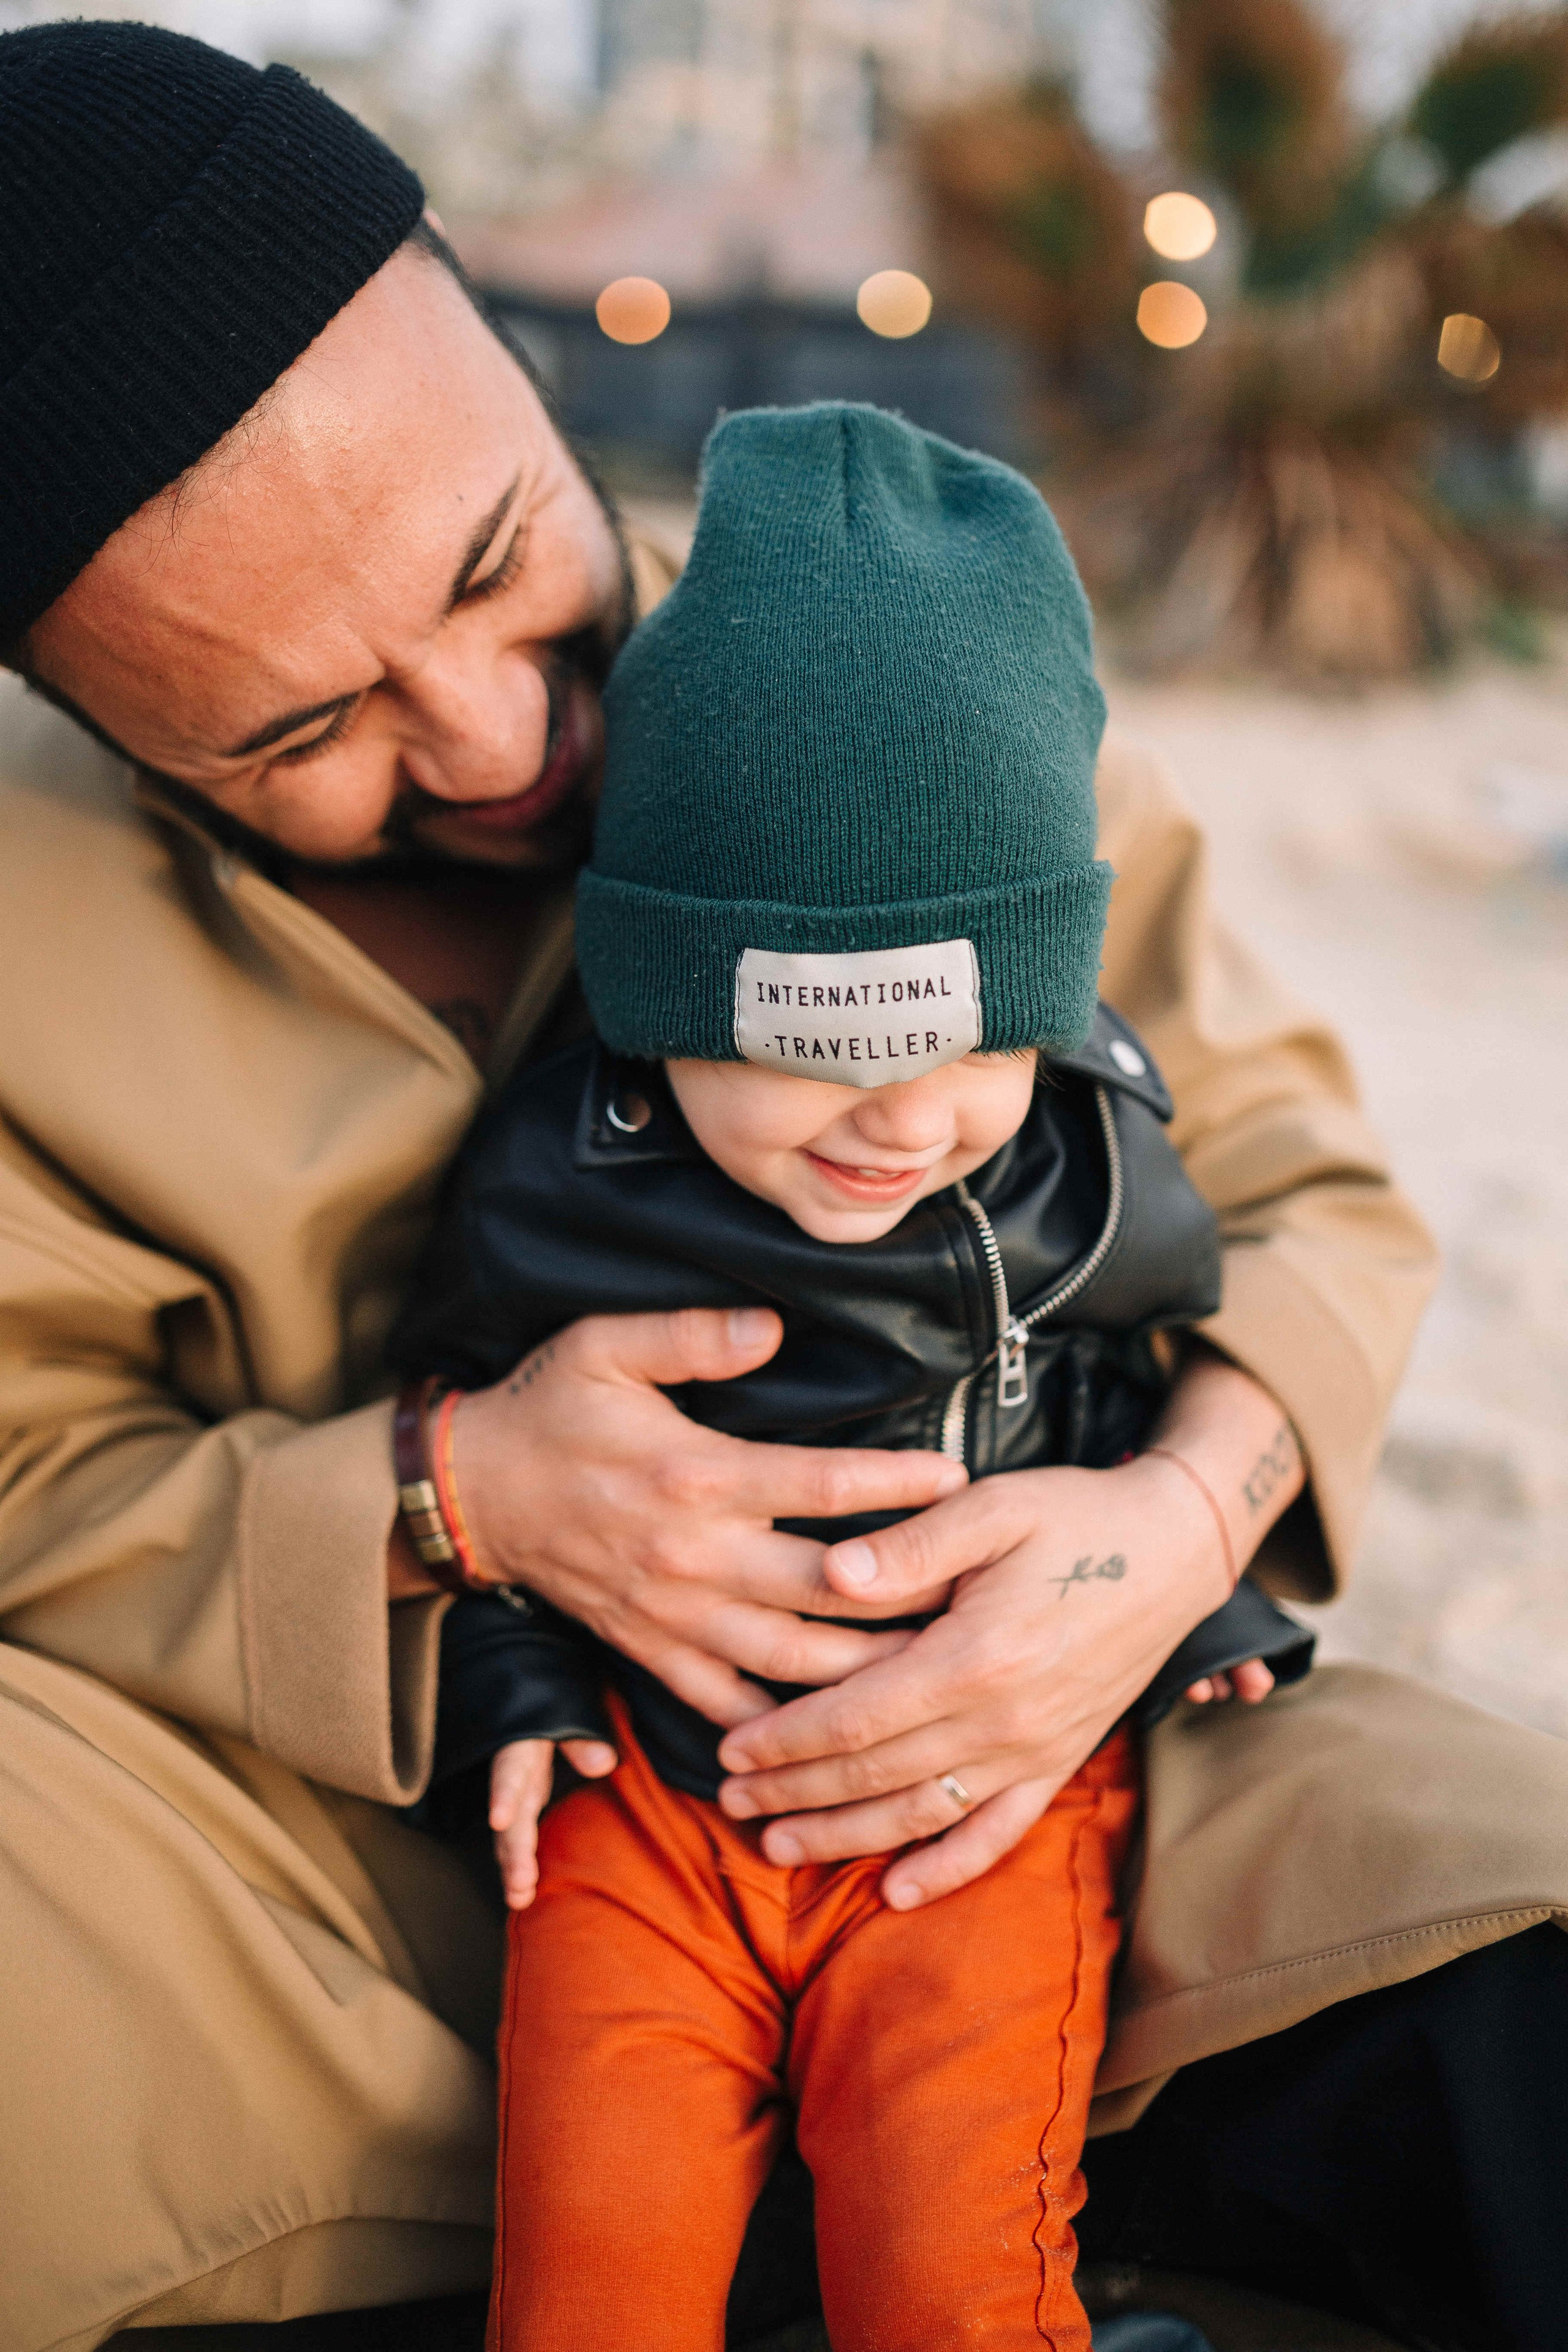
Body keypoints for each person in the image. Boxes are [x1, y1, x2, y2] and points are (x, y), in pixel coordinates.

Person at [0, 24, 1563, 2352]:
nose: (507, 742)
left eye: (500, 556)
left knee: (1514, 1953)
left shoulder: (911, 681)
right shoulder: (29, 937)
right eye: (302, 734)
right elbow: (37, 1476)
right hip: (341, 1882)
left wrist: (1173, 1538)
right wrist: (448, 1502)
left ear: (503, 339)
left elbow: (1307, 1188)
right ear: (90, 717)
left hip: (1049, 1746)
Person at [393, 400, 1316, 2352]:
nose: (905, 1122)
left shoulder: (1076, 1158)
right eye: (811, 1053)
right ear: (657, 1011)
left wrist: (1196, 1576)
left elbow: (1138, 1378)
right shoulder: (557, 1182)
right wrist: (521, 1688)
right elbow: (477, 1421)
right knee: (585, 2279)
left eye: (973, 1044)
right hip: (643, 1809)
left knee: (952, 2268)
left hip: (977, 1802)